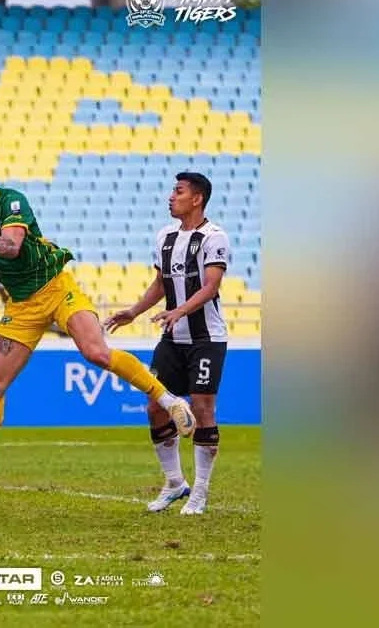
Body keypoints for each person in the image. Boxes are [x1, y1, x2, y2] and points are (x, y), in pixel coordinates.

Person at [0, 152, 196, 500]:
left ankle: (169, 401)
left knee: (96, 353)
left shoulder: (12, 200)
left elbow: (11, 246)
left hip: (57, 288)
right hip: (22, 304)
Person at [104, 172, 230, 515]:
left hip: (206, 338)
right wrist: (133, 311)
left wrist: (180, 310)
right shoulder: (165, 236)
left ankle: (200, 493)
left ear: (197, 198)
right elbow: (160, 283)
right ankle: (175, 483)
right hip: (173, 337)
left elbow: (211, 287)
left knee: (203, 409)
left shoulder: (214, 237)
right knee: (155, 406)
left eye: (178, 191)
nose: (170, 197)